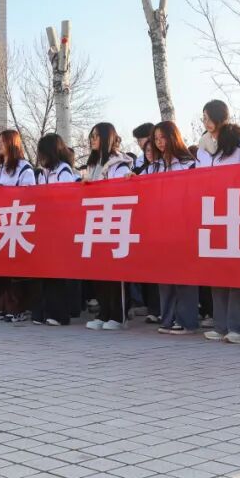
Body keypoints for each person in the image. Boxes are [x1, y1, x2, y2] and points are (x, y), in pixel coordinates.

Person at [195, 100, 240, 344]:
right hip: (211, 212)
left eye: (209, 117)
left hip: (236, 210)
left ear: (221, 116)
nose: (206, 122)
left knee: (237, 271)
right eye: (203, 118)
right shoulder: (202, 146)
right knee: (218, 270)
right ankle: (221, 324)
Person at [81, 122, 134, 330]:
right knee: (98, 271)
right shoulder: (93, 165)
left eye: (96, 136)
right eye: (91, 136)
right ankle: (104, 313)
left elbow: (121, 191)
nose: (92, 140)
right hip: (95, 220)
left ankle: (118, 315)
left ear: (106, 137)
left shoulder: (118, 164)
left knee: (115, 272)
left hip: (114, 220)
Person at [149, 121, 199, 336]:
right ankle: (168, 317)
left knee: (184, 275)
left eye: (163, 137)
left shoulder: (189, 163)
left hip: (183, 225)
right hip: (161, 226)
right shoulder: (154, 166)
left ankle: (186, 320)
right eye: (156, 139)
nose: (160, 142)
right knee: (165, 275)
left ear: (173, 137)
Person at [32, 134, 79, 326]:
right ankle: (43, 311)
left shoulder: (63, 170)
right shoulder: (43, 172)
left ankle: (58, 313)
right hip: (45, 226)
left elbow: (67, 198)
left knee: (56, 272)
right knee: (43, 271)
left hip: (59, 227)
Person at [0, 130, 37, 324]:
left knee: (16, 268)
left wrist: (7, 192)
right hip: (1, 223)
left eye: (3, 142)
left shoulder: (24, 168)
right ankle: (0, 305)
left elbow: (29, 194)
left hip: (17, 223)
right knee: (0, 268)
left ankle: (17, 307)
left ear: (12, 143)